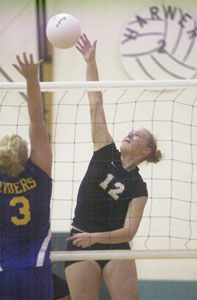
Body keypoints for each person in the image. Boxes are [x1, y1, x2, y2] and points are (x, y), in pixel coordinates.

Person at [65, 34, 162, 300]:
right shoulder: (104, 150)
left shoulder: (139, 187)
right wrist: (90, 62)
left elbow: (129, 231)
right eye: (131, 131)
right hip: (80, 241)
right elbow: (95, 100)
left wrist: (96, 237)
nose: (131, 133)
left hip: (113, 245)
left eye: (138, 135)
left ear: (146, 151)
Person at [0, 53, 53, 300]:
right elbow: (36, 119)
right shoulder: (39, 172)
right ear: (26, 154)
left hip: (5, 271)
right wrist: (32, 78)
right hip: (37, 269)